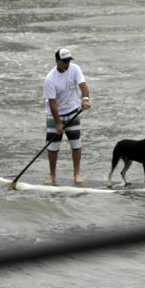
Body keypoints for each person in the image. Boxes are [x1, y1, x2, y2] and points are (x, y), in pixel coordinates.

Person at [43, 48, 91, 185]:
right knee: (53, 147)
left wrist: (85, 99)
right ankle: (52, 175)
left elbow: (83, 86)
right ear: (57, 61)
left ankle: (76, 174)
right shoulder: (50, 79)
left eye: (69, 60)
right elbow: (52, 103)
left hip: (72, 112)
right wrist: (58, 123)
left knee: (76, 144)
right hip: (54, 115)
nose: (67, 64)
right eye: (64, 61)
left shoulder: (75, 69)